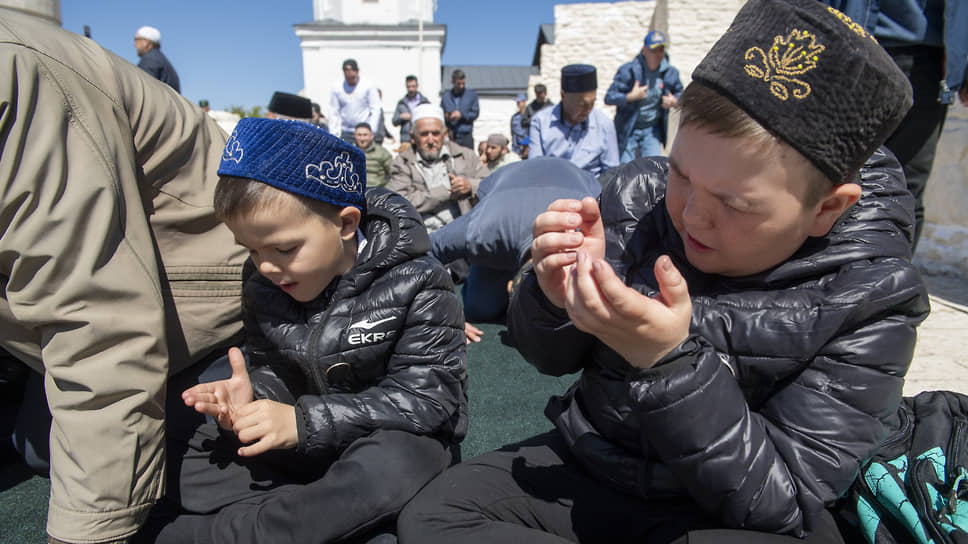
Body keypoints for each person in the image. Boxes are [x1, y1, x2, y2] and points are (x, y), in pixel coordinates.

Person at [399, 1, 928, 542]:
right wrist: (554, 295)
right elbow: (548, 356)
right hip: (595, 464)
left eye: (737, 205)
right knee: (434, 515)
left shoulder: (873, 297)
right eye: (681, 173)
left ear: (826, 209)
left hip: (717, 509)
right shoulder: (640, 197)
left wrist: (666, 363)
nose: (692, 214)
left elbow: (784, 500)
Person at [143, 118, 468, 543]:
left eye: (283, 249)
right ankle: (313, 519)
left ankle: (244, 529)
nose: (266, 266)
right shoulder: (265, 281)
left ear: (347, 223)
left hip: (384, 440)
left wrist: (304, 422)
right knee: (183, 444)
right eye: (252, 250)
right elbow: (274, 368)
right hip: (301, 443)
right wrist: (251, 399)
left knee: (396, 465)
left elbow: (427, 398)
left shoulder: (420, 281)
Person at [1, 8, 246, 543]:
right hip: (52, 330)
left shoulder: (17, 73)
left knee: (219, 465)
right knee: (40, 441)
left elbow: (100, 321)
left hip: (198, 319)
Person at [818, 0, 968, 250]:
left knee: (905, 189)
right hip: (850, 46)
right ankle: (823, 275)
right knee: (831, 178)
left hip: (925, 60)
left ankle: (890, 278)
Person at [430, 157, 600, 324]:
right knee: (479, 309)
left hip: (576, 177)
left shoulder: (589, 230)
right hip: (505, 186)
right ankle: (469, 263)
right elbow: (425, 249)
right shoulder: (482, 227)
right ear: (510, 285)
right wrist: (443, 315)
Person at [387, 103, 490, 233]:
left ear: (444, 134)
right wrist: (444, 192)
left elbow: (491, 184)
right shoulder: (402, 162)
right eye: (424, 134)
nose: (431, 140)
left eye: (435, 134)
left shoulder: (465, 156)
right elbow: (399, 202)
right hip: (421, 237)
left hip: (464, 232)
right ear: (413, 137)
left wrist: (470, 186)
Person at [605, 30, 684, 162]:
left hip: (652, 130)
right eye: (653, 50)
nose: (658, 54)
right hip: (629, 129)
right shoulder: (628, 71)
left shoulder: (670, 73)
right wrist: (630, 97)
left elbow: (683, 96)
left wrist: (674, 101)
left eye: (661, 50)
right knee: (626, 169)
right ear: (644, 50)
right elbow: (609, 97)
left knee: (653, 167)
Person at [529, 64, 619, 177]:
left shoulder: (604, 124)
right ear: (563, 96)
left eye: (592, 103)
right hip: (552, 189)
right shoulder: (540, 122)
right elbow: (535, 169)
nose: (588, 110)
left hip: (592, 191)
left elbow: (611, 172)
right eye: (582, 104)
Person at [329, 58, 381, 142]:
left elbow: (375, 108)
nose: (350, 76)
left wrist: (371, 130)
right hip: (346, 132)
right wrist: (333, 134)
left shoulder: (368, 86)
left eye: (352, 73)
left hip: (364, 132)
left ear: (357, 71)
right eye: (347, 72)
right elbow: (333, 111)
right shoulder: (337, 87)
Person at [440, 69, 480, 150]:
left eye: (463, 83)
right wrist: (446, 116)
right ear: (452, 81)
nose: (461, 86)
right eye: (459, 84)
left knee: (468, 160)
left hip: (466, 135)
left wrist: (461, 115)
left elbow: (475, 113)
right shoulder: (446, 96)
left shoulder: (472, 95)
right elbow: (440, 113)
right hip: (451, 136)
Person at [134, 25, 180, 93]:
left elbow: (142, 90)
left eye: (136, 39)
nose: (134, 44)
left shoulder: (150, 60)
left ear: (146, 42)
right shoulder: (159, 58)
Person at [392, 74, 431, 144]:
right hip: (406, 139)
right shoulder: (401, 103)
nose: (411, 89)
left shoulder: (424, 102)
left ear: (417, 86)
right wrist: (401, 117)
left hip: (421, 138)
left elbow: (430, 119)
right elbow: (394, 121)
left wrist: (413, 117)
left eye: (413, 86)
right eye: (408, 87)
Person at [354, 122, 392, 187]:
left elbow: (394, 174)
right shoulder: (349, 152)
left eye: (365, 135)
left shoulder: (382, 153)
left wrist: (387, 190)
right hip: (355, 191)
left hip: (377, 191)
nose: (362, 138)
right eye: (359, 135)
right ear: (355, 136)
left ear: (371, 136)